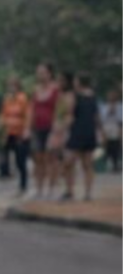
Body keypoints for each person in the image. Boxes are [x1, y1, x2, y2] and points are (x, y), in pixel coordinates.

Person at [62, 73, 100, 202]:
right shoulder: (93, 97)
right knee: (86, 163)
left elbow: (70, 114)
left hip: (77, 132)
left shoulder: (75, 97)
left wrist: (63, 129)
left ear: (79, 83)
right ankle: (85, 192)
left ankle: (71, 191)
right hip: (88, 132)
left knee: (71, 162)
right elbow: (96, 117)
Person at [29, 62, 59, 198]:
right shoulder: (35, 90)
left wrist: (57, 128)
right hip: (37, 128)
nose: (40, 75)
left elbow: (59, 109)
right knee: (38, 158)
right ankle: (39, 188)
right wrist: (28, 127)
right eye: (38, 72)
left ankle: (51, 188)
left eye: (42, 72)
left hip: (51, 127)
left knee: (50, 158)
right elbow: (32, 109)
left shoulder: (56, 89)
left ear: (49, 73)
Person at [0, 76, 30, 194]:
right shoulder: (7, 99)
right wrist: (1, 122)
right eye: (9, 85)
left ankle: (23, 184)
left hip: (19, 132)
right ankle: (4, 172)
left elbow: (27, 115)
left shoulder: (22, 99)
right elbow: (3, 113)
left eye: (12, 85)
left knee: (20, 159)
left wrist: (26, 129)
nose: (10, 88)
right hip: (8, 131)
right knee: (3, 151)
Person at [49, 71, 75, 198]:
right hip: (57, 129)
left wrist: (64, 128)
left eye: (61, 81)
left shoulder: (71, 96)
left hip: (66, 131)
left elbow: (70, 115)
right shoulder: (59, 96)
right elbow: (55, 112)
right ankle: (58, 187)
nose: (59, 83)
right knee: (55, 159)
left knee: (67, 162)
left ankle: (69, 189)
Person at [101, 88, 122, 173]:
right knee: (106, 144)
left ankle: (116, 163)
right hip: (106, 126)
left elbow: (120, 119)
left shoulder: (120, 106)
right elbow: (102, 118)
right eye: (110, 95)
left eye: (113, 95)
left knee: (116, 144)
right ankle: (106, 163)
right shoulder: (104, 106)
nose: (111, 97)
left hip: (116, 126)